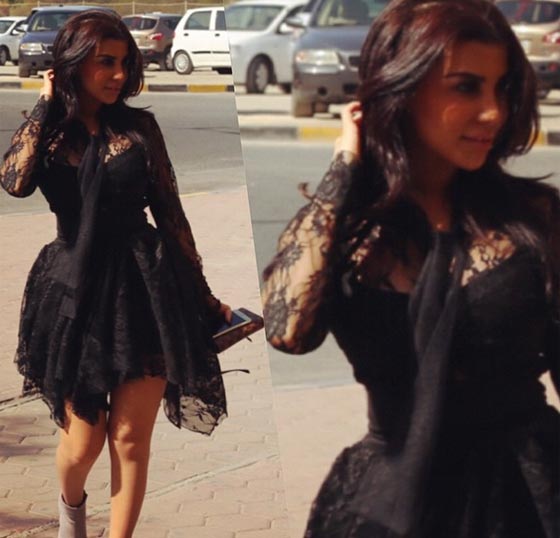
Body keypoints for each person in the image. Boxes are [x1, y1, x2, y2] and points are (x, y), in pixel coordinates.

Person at [262, 0, 560, 536]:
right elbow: (288, 332)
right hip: (392, 500)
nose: (493, 112)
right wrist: (345, 166)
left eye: (502, 89)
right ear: (401, 89)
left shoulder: (534, 218)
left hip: (529, 491)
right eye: (467, 87)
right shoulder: (350, 231)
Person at [0, 10, 232, 538]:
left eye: (125, 63)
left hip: (144, 287)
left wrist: (202, 295)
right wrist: (46, 100)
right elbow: (14, 181)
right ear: (73, 63)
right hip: (74, 290)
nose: (119, 75)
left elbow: (170, 214)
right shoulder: (49, 132)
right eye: (105, 62)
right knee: (83, 443)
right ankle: (72, 515)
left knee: (130, 439)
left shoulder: (139, 128)